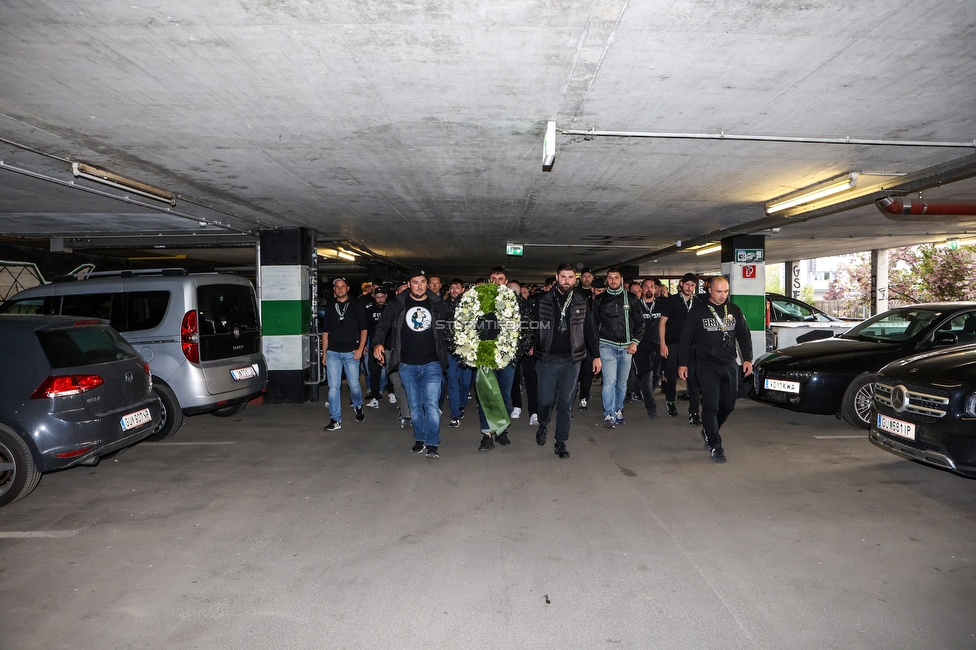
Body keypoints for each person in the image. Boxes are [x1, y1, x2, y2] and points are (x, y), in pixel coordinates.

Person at [373, 269, 452, 459]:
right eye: (415, 282)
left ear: (426, 284)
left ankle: (432, 442)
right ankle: (419, 438)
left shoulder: (437, 305)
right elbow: (382, 325)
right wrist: (378, 342)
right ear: (409, 285)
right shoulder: (398, 304)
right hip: (407, 364)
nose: (419, 286)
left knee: (431, 404)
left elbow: (450, 327)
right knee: (415, 406)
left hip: (432, 363)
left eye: (423, 282)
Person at [678, 275, 753, 463]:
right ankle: (715, 445)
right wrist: (682, 363)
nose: (722, 295)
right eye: (719, 291)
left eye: (726, 291)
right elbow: (685, 339)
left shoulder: (734, 310)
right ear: (709, 290)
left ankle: (709, 430)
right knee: (711, 405)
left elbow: (744, 335)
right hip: (706, 365)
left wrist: (747, 359)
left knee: (728, 405)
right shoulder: (698, 311)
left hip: (728, 365)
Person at [533, 264, 601, 458]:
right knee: (545, 401)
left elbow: (589, 329)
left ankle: (561, 441)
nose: (567, 280)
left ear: (575, 279)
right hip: (546, 358)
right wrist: (530, 344)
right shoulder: (544, 300)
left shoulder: (581, 300)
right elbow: (533, 326)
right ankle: (544, 424)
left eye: (570, 277)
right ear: (556, 277)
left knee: (565, 402)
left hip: (572, 360)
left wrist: (596, 355)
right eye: (563, 277)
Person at [592, 268, 644, 429]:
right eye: (610, 278)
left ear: (621, 280)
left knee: (622, 383)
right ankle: (609, 413)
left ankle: (618, 409)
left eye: (616, 277)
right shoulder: (600, 299)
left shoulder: (632, 298)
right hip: (607, 345)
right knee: (609, 381)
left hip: (627, 348)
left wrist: (635, 342)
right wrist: (595, 351)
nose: (613, 280)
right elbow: (593, 326)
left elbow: (641, 323)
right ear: (606, 280)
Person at [321, 278, 368, 431]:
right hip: (333, 352)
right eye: (337, 286)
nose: (340, 289)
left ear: (347, 288)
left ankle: (358, 405)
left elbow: (364, 329)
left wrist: (361, 348)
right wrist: (324, 353)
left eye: (342, 286)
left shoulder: (356, 305)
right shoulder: (330, 307)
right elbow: (326, 332)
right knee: (333, 387)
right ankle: (335, 419)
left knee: (354, 385)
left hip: (351, 352)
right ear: (334, 289)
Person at [659, 273, 703, 425]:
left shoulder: (698, 303)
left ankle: (694, 412)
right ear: (681, 284)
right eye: (687, 284)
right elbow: (662, 323)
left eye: (692, 285)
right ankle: (670, 401)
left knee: (693, 379)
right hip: (673, 344)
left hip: (692, 347)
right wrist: (663, 344)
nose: (689, 288)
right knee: (672, 376)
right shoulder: (671, 301)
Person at [444, 279, 472, 427]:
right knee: (453, 383)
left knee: (466, 384)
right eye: (452, 287)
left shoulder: (470, 306)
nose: (454, 290)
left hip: (466, 352)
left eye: (457, 287)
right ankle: (455, 413)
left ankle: (460, 406)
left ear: (462, 290)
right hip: (450, 351)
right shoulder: (443, 307)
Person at [633, 278, 662, 419]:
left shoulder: (661, 306)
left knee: (656, 375)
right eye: (646, 286)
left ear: (655, 289)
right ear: (642, 289)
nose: (649, 289)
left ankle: (642, 390)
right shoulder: (636, 306)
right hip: (641, 346)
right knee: (648, 376)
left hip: (658, 345)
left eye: (652, 286)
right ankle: (651, 406)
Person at [364, 285, 390, 408]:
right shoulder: (369, 309)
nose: (380, 299)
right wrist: (364, 344)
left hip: (389, 344)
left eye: (382, 297)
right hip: (374, 344)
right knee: (373, 371)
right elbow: (365, 328)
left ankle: (392, 393)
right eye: (378, 297)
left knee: (391, 370)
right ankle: (374, 397)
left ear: (386, 297)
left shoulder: (391, 309)